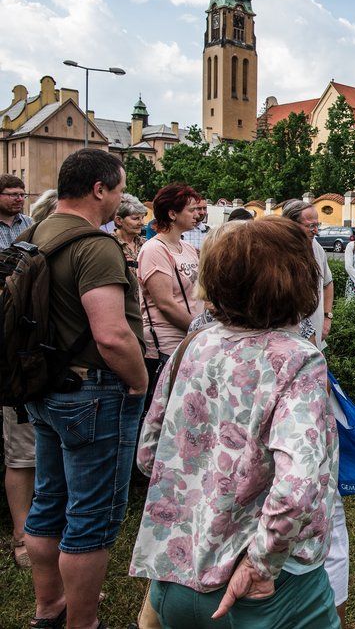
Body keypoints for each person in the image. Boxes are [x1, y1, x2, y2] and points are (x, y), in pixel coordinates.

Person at [130, 216, 340, 629]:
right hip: (261, 593)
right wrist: (261, 564)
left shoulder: (193, 345)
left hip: (176, 574)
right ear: (298, 281)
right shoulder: (297, 359)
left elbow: (148, 455)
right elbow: (297, 488)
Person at [22, 149, 148, 629]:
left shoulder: (36, 234)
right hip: (92, 391)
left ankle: (48, 607)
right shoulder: (94, 246)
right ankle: (83, 623)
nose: (120, 199)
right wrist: (138, 381)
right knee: (91, 515)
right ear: (100, 189)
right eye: (118, 189)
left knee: (48, 501)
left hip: (44, 387)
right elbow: (112, 334)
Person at [138, 184, 200, 404]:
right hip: (167, 346)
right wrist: (200, 330)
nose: (197, 214)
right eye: (191, 210)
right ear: (172, 214)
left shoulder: (188, 248)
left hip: (189, 340)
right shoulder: (154, 250)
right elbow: (165, 303)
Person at [0, 174, 35, 570]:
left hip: (33, 345)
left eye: (21, 193)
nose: (18, 199)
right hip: (12, 349)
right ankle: (20, 533)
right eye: (11, 194)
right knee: (21, 454)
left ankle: (38, 526)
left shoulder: (29, 226)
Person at [281, 200, 334, 347]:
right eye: (311, 226)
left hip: (314, 339)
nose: (316, 231)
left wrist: (327, 318)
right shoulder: (276, 252)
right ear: (291, 224)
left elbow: (328, 283)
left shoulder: (316, 247)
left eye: (317, 225)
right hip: (285, 340)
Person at [112, 194, 147, 281]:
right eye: (136, 218)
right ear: (119, 220)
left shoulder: (146, 244)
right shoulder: (109, 244)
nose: (142, 222)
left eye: (142, 218)